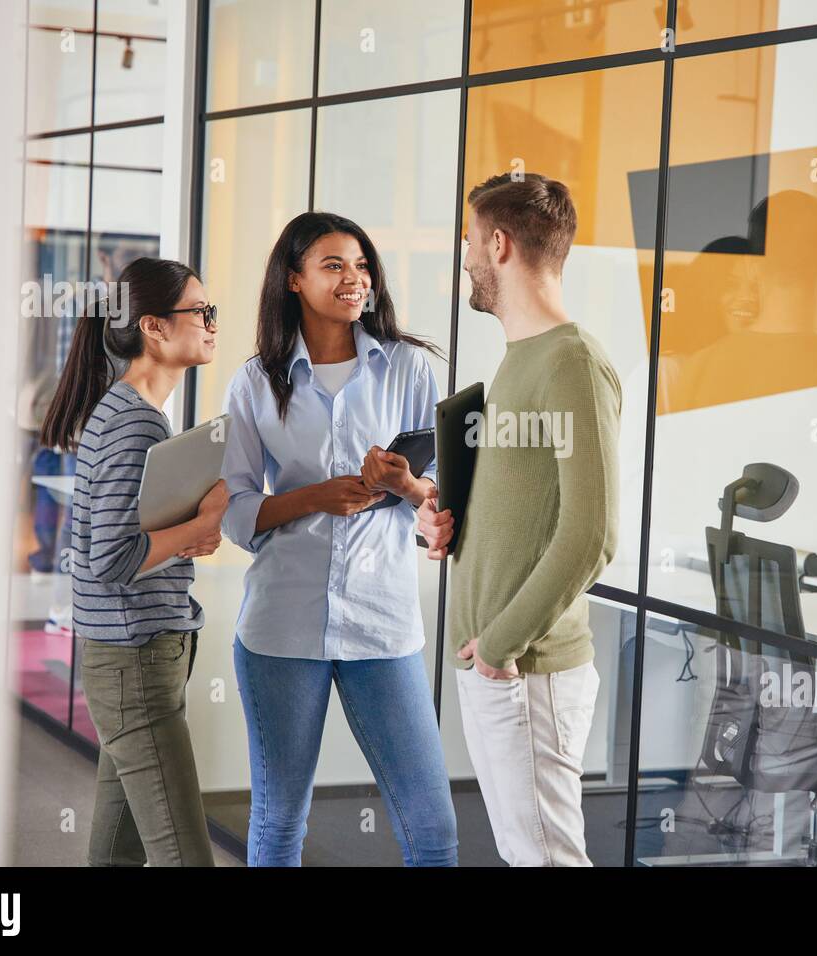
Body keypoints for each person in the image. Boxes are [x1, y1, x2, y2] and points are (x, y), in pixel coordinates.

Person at [220, 211, 458, 867]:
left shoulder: (409, 369)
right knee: (276, 826)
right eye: (332, 265)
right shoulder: (255, 382)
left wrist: (407, 485)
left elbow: (438, 506)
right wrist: (317, 496)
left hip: (384, 625)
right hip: (280, 628)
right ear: (293, 279)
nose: (353, 279)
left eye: (360, 265)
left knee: (433, 832)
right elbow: (237, 513)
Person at [418, 173, 621, 866]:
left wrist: (501, 644)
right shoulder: (519, 360)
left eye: (471, 242)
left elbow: (592, 535)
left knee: (546, 860)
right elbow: (528, 507)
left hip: (523, 669)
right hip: (497, 666)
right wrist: (445, 517)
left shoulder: (571, 362)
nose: (466, 258)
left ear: (499, 245)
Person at [39, 256, 227, 866]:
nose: (211, 322)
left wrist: (186, 532)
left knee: (116, 856)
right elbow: (111, 559)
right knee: (186, 856)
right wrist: (199, 526)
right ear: (153, 326)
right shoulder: (133, 424)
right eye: (200, 311)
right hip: (134, 664)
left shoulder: (136, 415)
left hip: (136, 657)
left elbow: (127, 537)